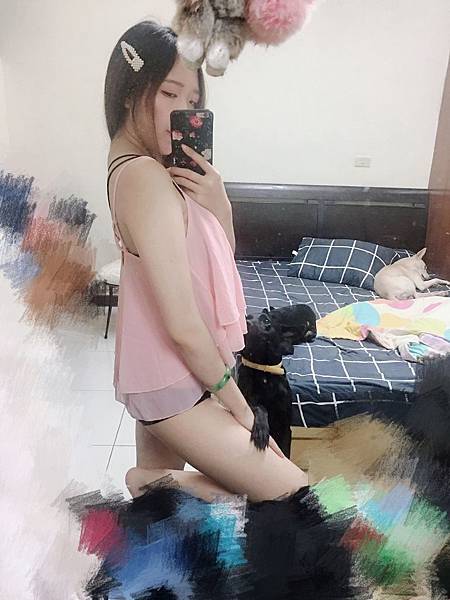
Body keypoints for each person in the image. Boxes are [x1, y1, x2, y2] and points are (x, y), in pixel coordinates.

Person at [104, 20, 308, 503]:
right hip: (177, 377)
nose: (182, 110)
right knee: (293, 496)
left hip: (173, 370)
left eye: (192, 100)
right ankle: (149, 482)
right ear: (131, 93)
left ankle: (154, 487)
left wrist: (220, 206)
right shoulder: (144, 177)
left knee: (165, 523)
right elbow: (181, 324)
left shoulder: (148, 171)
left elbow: (215, 268)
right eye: (168, 93)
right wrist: (240, 407)